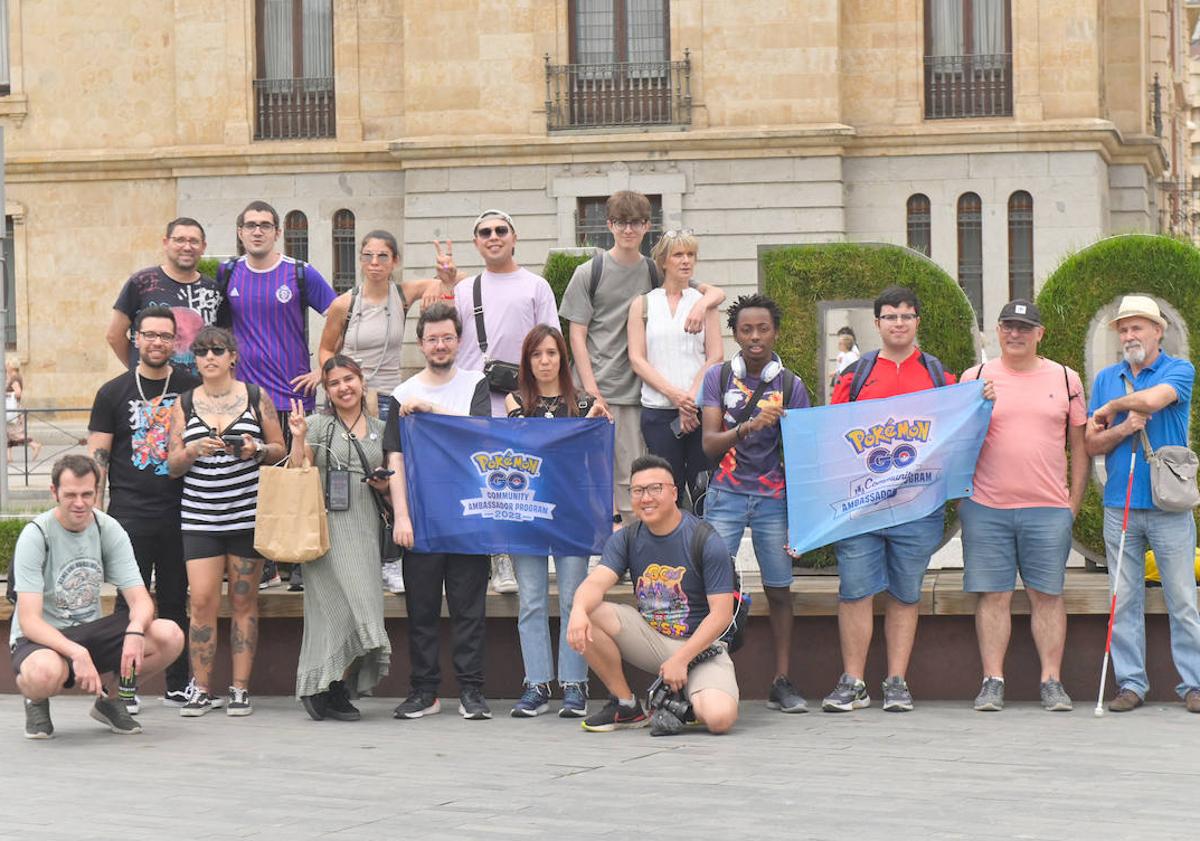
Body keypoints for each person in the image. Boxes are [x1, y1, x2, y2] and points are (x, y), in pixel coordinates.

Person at [823, 285, 957, 713]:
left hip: (917, 506)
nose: (898, 322)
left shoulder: (939, 375)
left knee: (905, 593)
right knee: (855, 592)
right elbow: (831, 432)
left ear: (918, 321)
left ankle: (896, 681)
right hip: (862, 504)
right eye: (890, 316)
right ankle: (854, 681)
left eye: (906, 315)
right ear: (877, 323)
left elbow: (962, 425)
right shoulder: (855, 374)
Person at [560, 192, 725, 525]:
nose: (628, 230)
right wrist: (592, 392)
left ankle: (632, 553)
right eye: (621, 222)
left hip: (639, 393)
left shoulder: (654, 269)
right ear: (609, 225)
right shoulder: (589, 272)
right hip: (599, 390)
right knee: (589, 474)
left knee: (632, 477)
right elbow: (576, 335)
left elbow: (710, 291)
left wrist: (703, 305)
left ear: (647, 226)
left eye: (636, 222)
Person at [958, 300, 1087, 712]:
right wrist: (976, 404)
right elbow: (955, 440)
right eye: (1008, 327)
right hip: (986, 507)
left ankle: (1052, 681)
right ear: (996, 331)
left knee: (1047, 596)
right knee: (993, 596)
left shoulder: (1066, 378)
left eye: (1024, 328)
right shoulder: (975, 377)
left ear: (1040, 333)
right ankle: (992, 680)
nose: (1016, 334)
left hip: (1048, 509)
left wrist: (1073, 504)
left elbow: (1080, 448)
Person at [10, 455, 185, 739]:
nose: (79, 503)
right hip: (41, 637)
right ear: (54, 492)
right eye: (70, 495)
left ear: (97, 491)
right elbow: (29, 621)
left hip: (89, 630)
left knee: (170, 635)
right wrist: (76, 653)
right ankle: (35, 700)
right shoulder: (36, 535)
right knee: (43, 674)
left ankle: (111, 700)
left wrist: (135, 631)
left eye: (87, 494)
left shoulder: (108, 529)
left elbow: (141, 600)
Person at [567, 455, 739, 736]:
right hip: (652, 638)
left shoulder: (705, 539)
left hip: (701, 647)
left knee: (720, 719)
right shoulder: (627, 538)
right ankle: (626, 705)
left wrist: (682, 658)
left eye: (655, 489)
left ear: (673, 492)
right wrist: (576, 611)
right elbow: (595, 584)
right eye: (638, 491)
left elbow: (721, 615)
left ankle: (682, 703)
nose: (646, 498)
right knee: (588, 610)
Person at [1085, 294, 1200, 714]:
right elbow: (1091, 440)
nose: (1130, 335)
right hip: (1121, 504)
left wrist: (1115, 407)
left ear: (1158, 331)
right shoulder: (1104, 377)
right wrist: (1121, 429)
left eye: (1138, 327)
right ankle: (1131, 684)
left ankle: (1194, 684)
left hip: (1168, 504)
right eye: (1124, 328)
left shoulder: (1179, 369)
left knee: (1183, 598)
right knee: (1124, 598)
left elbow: (1153, 401)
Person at [167, 326, 287, 717]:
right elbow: (170, 466)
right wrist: (191, 451)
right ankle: (200, 688)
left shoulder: (256, 396)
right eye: (201, 351)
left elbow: (279, 450)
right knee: (200, 602)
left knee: (242, 601)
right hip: (200, 516)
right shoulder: (184, 402)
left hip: (247, 514)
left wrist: (255, 449)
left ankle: (239, 689)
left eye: (218, 349)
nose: (209, 357)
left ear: (233, 355)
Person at [700, 293, 811, 713]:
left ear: (775, 331)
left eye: (763, 328)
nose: (755, 337)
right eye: (746, 329)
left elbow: (803, 454)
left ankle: (782, 681)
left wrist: (802, 519)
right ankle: (708, 672)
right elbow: (709, 444)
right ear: (735, 334)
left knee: (779, 589)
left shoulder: (791, 384)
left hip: (773, 498)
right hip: (726, 493)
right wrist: (749, 426)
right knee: (714, 588)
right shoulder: (718, 378)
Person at [218, 200, 337, 590]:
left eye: (265, 225)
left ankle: (300, 562)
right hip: (245, 401)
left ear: (277, 232)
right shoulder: (227, 274)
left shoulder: (299, 274)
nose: (257, 231)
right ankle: (266, 564)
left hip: (291, 397)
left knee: (297, 479)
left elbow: (341, 314)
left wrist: (323, 368)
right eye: (250, 225)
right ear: (240, 232)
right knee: (253, 483)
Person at [87, 305, 201, 711]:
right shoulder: (112, 392)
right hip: (128, 517)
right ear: (135, 338)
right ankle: (125, 689)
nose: (157, 342)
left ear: (176, 341)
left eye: (165, 336)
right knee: (127, 607)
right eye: (149, 335)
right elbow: (96, 462)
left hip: (181, 512)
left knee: (174, 599)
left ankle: (176, 685)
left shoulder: (192, 386)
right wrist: (94, 521)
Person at [384, 302, 493, 721]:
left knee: (470, 609)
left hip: (469, 513)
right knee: (423, 610)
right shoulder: (401, 393)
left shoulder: (475, 384)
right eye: (433, 339)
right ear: (421, 344)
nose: (441, 344)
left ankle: (472, 691)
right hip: (422, 518)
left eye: (448, 337)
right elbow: (394, 459)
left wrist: (433, 411)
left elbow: (483, 434)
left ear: (458, 340)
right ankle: (424, 691)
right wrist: (403, 516)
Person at [504, 325, 610, 718]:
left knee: (573, 600)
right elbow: (526, 446)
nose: (545, 361)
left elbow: (597, 461)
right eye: (537, 355)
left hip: (572, 513)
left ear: (562, 358)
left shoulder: (584, 403)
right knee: (530, 600)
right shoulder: (516, 401)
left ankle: (575, 683)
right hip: (527, 512)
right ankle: (535, 683)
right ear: (527, 362)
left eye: (551, 353)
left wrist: (601, 425)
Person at [452, 209, 560, 595]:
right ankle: (497, 558)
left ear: (514, 237)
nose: (493, 236)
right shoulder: (465, 290)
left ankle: (519, 555)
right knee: (485, 482)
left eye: (501, 230)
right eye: (485, 232)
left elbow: (552, 342)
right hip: (476, 397)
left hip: (521, 396)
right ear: (476, 242)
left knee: (521, 479)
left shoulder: (536, 286)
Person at [287, 356, 393, 721]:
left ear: (362, 382)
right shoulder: (316, 425)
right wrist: (299, 438)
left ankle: (336, 684)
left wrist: (384, 483)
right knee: (328, 610)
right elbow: (296, 473)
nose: (344, 387)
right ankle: (321, 688)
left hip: (365, 528)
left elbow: (394, 485)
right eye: (335, 383)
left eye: (349, 379)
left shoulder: (381, 427)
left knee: (363, 605)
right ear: (327, 390)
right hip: (324, 530)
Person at [627, 230, 722, 514]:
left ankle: (703, 551)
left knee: (703, 488)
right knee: (666, 489)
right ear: (663, 261)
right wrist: (675, 396)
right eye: (678, 255)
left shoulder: (705, 303)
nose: (686, 261)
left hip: (699, 411)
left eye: (691, 255)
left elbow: (715, 355)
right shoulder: (643, 304)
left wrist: (691, 399)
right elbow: (637, 358)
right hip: (659, 412)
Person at [317, 231, 458, 421]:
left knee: (389, 450)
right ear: (360, 259)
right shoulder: (343, 304)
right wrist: (334, 377)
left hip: (388, 396)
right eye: (368, 255)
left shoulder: (402, 295)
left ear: (395, 261)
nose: (374, 262)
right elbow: (326, 348)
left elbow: (457, 278)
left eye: (383, 256)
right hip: (349, 397)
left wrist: (441, 280)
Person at [106, 217, 220, 377]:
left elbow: (222, 340)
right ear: (166, 243)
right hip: (149, 394)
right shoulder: (142, 282)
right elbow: (114, 335)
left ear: (203, 247)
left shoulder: (213, 289)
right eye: (179, 240)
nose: (187, 247)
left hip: (197, 392)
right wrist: (138, 369)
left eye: (194, 241)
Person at [5, 358, 42, 460]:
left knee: (16, 433)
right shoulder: (14, 376)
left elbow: (18, 392)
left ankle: (34, 445)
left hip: (13, 409)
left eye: (7, 365)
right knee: (6, 432)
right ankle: (8, 457)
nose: (6, 367)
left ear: (12, 367)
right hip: (12, 409)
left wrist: (6, 394)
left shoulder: (14, 378)